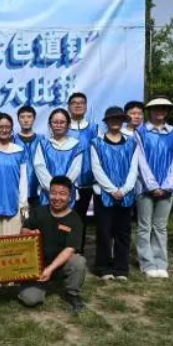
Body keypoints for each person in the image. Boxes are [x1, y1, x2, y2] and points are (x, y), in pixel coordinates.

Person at [17, 176, 86, 313]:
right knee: (30, 300)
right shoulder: (39, 211)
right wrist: (29, 232)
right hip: (37, 266)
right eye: (53, 193)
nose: (57, 197)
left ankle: (72, 293)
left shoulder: (75, 219)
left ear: (70, 197)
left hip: (59, 265)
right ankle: (37, 286)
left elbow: (70, 249)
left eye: (62, 194)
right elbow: (23, 230)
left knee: (78, 261)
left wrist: (49, 270)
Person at [91, 106, 140, 281]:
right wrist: (112, 190)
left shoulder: (132, 143)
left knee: (123, 232)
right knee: (104, 231)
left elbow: (134, 168)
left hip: (126, 194)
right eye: (112, 119)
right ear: (107, 121)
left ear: (123, 121)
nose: (115, 122)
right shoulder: (96, 143)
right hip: (104, 194)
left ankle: (121, 268)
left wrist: (124, 189)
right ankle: (103, 267)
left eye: (119, 119)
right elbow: (97, 169)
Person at [135, 97, 173, 279]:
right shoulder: (140, 132)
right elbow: (140, 161)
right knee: (144, 226)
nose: (160, 111)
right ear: (149, 111)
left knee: (160, 226)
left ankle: (161, 263)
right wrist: (152, 185)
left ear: (167, 111)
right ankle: (147, 263)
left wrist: (167, 185)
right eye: (156, 108)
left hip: (167, 188)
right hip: (145, 187)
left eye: (163, 108)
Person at [34, 109, 82, 206]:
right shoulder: (43, 145)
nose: (58, 125)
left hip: (68, 195)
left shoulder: (76, 145)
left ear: (68, 124)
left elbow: (75, 169)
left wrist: (62, 191)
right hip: (47, 194)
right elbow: (39, 167)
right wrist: (53, 191)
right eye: (55, 122)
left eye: (62, 122)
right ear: (50, 124)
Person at [67, 93, 100, 224]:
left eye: (81, 103)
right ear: (69, 107)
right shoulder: (62, 127)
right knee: (66, 219)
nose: (78, 105)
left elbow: (100, 152)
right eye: (74, 103)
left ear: (86, 107)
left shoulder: (94, 128)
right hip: (68, 180)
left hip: (88, 181)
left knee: (81, 219)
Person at [15, 105, 43, 207]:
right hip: (18, 189)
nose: (26, 120)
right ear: (18, 119)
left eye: (29, 117)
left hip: (38, 189)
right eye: (22, 117)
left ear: (34, 119)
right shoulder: (12, 140)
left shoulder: (42, 140)